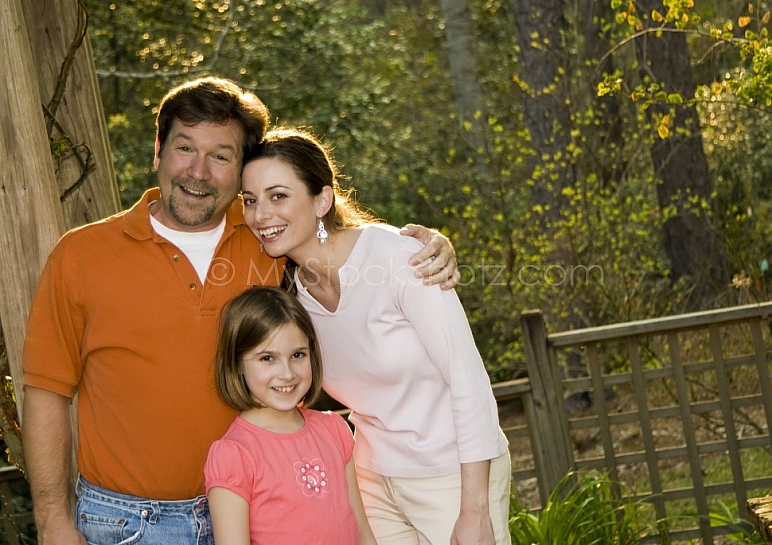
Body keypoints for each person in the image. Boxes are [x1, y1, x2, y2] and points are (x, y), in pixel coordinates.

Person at [21, 77, 457, 545]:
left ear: (242, 168)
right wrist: (52, 522)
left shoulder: (267, 239)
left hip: (267, 514)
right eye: (185, 148)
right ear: (158, 151)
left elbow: (337, 243)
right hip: (127, 523)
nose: (198, 172)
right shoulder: (82, 255)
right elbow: (47, 390)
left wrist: (415, 244)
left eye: (221, 156)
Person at [241, 127, 511, 545]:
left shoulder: (398, 258)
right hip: (370, 481)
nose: (261, 215)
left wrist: (473, 510)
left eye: (278, 196)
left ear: (322, 200)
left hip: (453, 475)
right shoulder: (290, 298)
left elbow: (469, 380)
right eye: (251, 200)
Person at [204, 286, 376, 545]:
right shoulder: (234, 454)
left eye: (297, 355)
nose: (286, 373)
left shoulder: (333, 430)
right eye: (267, 358)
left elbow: (362, 532)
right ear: (237, 363)